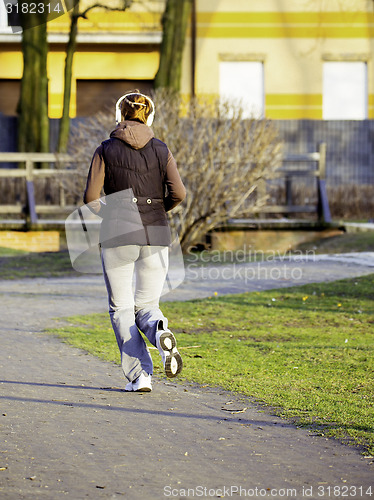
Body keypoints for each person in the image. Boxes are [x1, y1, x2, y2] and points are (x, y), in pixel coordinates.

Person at [83, 90, 186, 392]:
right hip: (156, 234)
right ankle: (159, 332)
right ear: (150, 116)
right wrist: (156, 211)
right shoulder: (161, 148)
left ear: (119, 115)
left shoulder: (105, 149)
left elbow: (90, 198)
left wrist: (114, 214)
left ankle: (140, 376)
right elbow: (178, 193)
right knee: (147, 305)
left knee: (122, 308)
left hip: (118, 234)